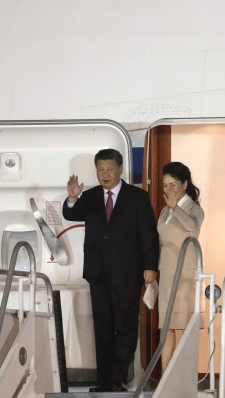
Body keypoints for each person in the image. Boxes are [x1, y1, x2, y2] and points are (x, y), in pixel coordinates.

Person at [63, 148, 159, 392]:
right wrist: (72, 197)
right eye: (100, 169)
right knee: (103, 328)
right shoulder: (91, 196)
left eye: (109, 169)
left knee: (125, 327)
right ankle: (105, 382)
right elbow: (71, 213)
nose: (105, 174)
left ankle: (117, 379)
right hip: (98, 273)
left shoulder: (137, 197)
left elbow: (148, 234)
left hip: (128, 274)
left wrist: (150, 266)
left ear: (120, 169)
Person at [157, 161, 204, 372]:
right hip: (167, 272)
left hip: (186, 272)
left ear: (184, 184)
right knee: (166, 326)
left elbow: (191, 226)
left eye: (173, 184)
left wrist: (175, 207)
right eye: (165, 185)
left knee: (185, 325)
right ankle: (166, 376)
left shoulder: (194, 208)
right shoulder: (165, 210)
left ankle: (184, 375)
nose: (169, 190)